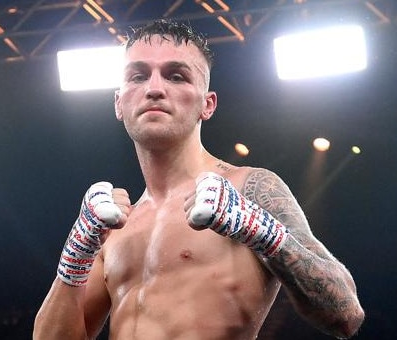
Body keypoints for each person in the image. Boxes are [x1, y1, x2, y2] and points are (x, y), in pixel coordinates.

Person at [33, 19, 364, 340]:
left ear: (207, 105)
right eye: (137, 76)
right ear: (119, 103)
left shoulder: (250, 189)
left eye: (176, 76)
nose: (154, 89)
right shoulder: (114, 228)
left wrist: (261, 230)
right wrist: (75, 254)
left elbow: (346, 315)